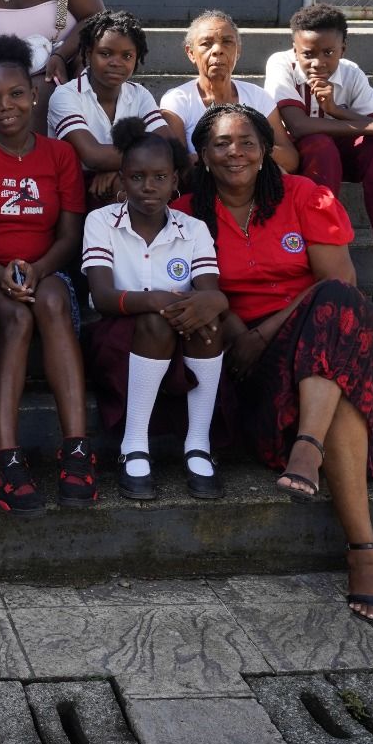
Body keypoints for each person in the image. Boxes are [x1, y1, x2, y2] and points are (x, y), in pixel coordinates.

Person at [174, 104, 373, 623]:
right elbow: (194, 295)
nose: (235, 153)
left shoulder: (305, 195)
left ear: (268, 149)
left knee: (335, 304)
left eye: (248, 141)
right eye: (221, 144)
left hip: (318, 335)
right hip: (252, 368)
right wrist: (238, 333)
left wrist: (264, 330)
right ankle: (362, 550)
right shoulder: (185, 211)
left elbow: (337, 285)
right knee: (338, 388)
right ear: (202, 156)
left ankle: (310, 452)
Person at [0, 37, 92, 514]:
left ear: (33, 95)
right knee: (17, 317)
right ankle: (5, 454)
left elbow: (70, 235)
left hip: (45, 268)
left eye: (15, 94)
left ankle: (76, 448)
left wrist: (37, 268)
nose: (4, 106)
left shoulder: (59, 156)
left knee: (49, 301)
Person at [82, 119, 226, 501]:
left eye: (160, 177)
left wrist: (209, 304)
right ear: (122, 179)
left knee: (208, 324)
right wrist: (157, 300)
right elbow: (102, 296)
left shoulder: (192, 228)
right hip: (115, 334)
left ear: (175, 179)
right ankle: (134, 444)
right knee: (154, 321)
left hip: (177, 331)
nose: (149, 186)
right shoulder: (101, 222)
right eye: (137, 177)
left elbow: (209, 294)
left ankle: (198, 443)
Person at [265, 4, 373, 317]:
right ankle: (322, 257)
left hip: (340, 158)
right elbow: (298, 126)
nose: (318, 62)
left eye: (328, 52)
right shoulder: (280, 65)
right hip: (300, 160)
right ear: (294, 49)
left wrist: (340, 111)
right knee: (320, 144)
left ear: (343, 48)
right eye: (308, 53)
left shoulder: (351, 72)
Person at [46, 9, 173, 203]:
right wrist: (129, 165)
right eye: (105, 53)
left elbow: (167, 146)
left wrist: (118, 169)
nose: (116, 63)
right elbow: (93, 156)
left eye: (127, 56)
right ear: (89, 54)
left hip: (125, 178)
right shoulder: (66, 95)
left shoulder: (139, 94)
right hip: (73, 186)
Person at [158, 10, 299, 174]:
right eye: (206, 44)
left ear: (238, 51)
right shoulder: (177, 100)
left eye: (227, 42)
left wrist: (247, 151)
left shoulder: (258, 97)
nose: (218, 50)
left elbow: (291, 160)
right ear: (191, 53)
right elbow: (179, 167)